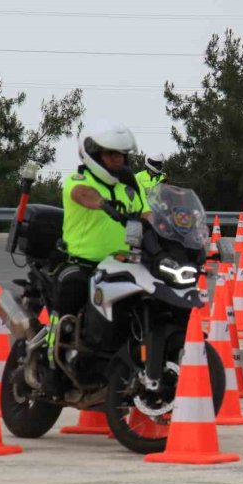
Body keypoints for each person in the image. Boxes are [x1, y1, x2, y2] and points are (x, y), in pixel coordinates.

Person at [44, 120, 150, 391]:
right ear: (93, 155)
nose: (118, 160)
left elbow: (148, 213)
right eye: (110, 154)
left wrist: (169, 227)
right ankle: (51, 367)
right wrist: (105, 205)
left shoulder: (130, 185)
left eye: (121, 155)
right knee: (71, 292)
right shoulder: (80, 179)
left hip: (123, 265)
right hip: (81, 263)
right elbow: (82, 195)